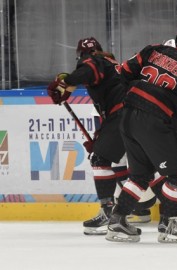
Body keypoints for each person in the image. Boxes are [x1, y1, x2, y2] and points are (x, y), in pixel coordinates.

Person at [105, 20, 177, 243]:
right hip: (153, 121)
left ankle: (117, 221)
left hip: (128, 115)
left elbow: (122, 72)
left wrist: (138, 95)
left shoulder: (154, 50)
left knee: (140, 175)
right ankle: (169, 225)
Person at [47, 37, 153, 236]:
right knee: (123, 161)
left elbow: (87, 71)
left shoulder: (93, 61)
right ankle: (152, 209)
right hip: (131, 113)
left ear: (81, 55)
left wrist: (65, 82)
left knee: (100, 159)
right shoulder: (110, 63)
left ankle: (108, 212)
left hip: (121, 114)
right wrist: (99, 139)